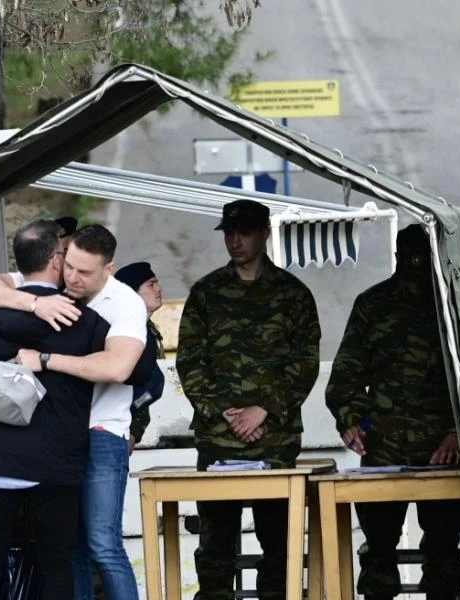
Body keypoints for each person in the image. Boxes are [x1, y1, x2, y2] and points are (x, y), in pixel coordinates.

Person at [0, 224, 155, 600]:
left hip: (103, 430)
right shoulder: (54, 285)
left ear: (109, 269)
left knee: (103, 544)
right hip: (57, 436)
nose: (71, 277)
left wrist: (47, 360)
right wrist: (36, 302)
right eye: (68, 265)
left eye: (84, 272)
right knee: (69, 550)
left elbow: (118, 368)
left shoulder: (124, 303)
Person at [0, 220, 112, 600]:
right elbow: (132, 371)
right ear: (57, 260)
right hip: (57, 464)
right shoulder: (84, 322)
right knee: (57, 562)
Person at [176, 199, 321, 600]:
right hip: (218, 439)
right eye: (228, 233)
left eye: (243, 232)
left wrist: (264, 411)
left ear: (264, 234)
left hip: (274, 440)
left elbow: (304, 362)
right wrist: (224, 413)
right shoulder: (206, 293)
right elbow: (190, 361)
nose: (234, 241)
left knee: (279, 545)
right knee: (215, 547)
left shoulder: (293, 295)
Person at [325, 223, 460, 600]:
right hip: (383, 448)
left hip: (443, 452)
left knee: (444, 554)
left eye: (423, 274)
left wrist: (457, 432)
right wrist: (351, 420)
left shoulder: (456, 306)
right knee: (377, 553)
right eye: (410, 273)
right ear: (399, 263)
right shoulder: (373, 305)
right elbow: (346, 375)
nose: (417, 285)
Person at [114, 261, 167, 453]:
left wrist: (134, 431)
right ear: (131, 294)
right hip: (113, 429)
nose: (159, 289)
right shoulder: (120, 333)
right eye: (151, 285)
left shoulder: (147, 330)